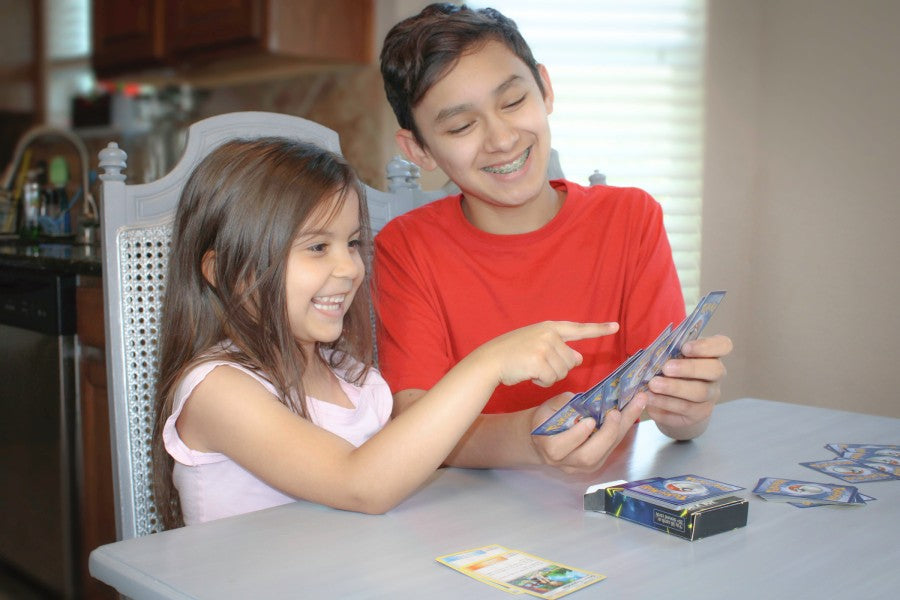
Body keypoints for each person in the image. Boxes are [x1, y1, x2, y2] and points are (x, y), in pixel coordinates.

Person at [150, 137, 617, 527]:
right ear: (226, 271)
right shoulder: (217, 391)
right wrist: (488, 363)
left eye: (352, 243)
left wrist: (541, 433)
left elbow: (415, 453)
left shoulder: (348, 375)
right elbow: (361, 484)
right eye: (317, 246)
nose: (349, 267)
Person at [373, 3, 734, 474]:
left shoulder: (631, 218)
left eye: (513, 101)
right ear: (419, 149)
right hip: (463, 519)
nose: (501, 138)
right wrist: (529, 437)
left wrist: (689, 412)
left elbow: (670, 409)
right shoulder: (406, 247)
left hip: (607, 509)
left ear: (545, 89)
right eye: (461, 126)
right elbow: (415, 425)